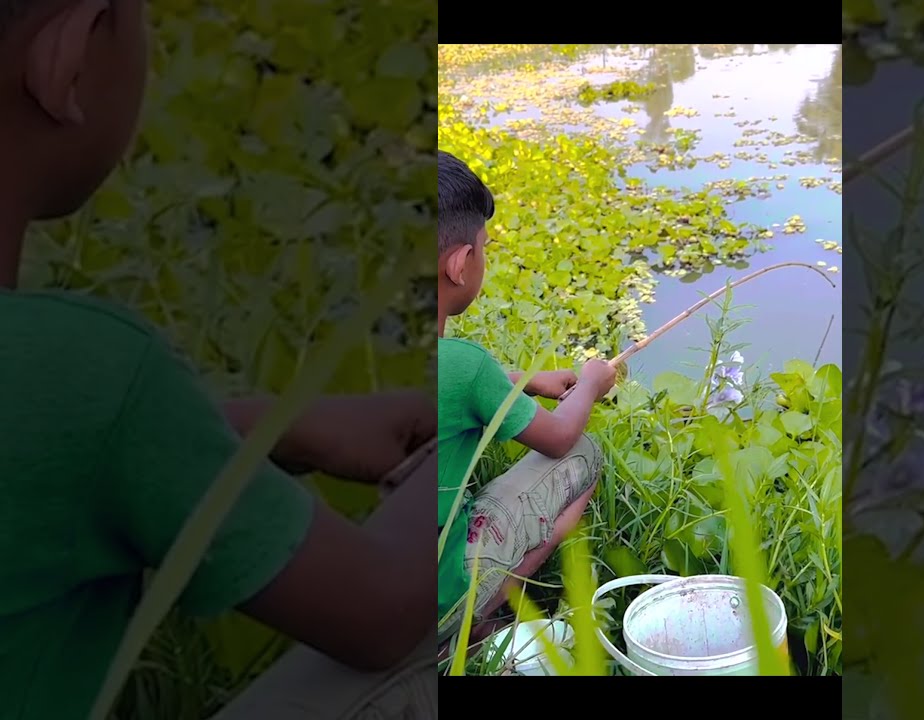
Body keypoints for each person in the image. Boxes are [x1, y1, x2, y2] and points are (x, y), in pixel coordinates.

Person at [0, 2, 437, 718]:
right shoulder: (93, 370)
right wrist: (467, 439)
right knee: (449, 603)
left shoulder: (67, 389)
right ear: (69, 58)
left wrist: (264, 429)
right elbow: (384, 609)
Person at [436, 150, 616, 646]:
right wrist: (593, 382)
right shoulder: (464, 365)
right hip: (431, 604)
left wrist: (526, 379)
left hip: (352, 601)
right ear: (460, 264)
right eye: (484, 248)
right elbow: (559, 438)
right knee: (585, 454)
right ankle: (476, 619)